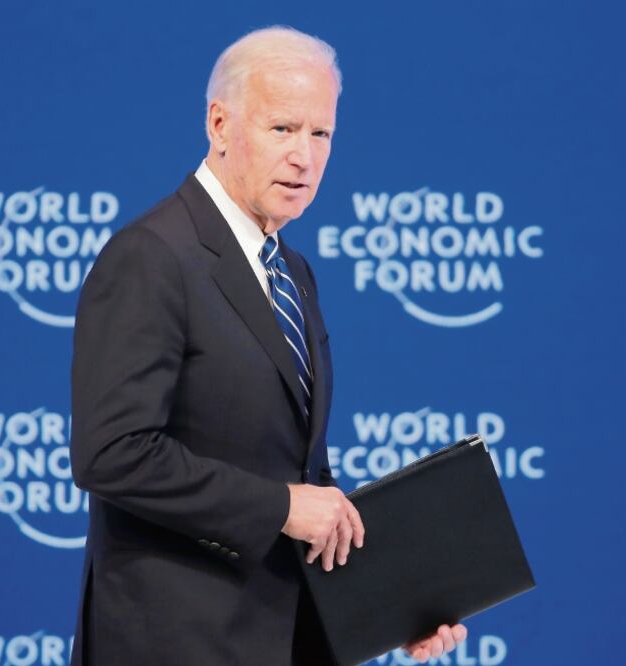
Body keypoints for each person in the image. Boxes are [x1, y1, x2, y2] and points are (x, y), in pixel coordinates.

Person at [69, 26, 466, 665]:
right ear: (220, 125)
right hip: (177, 643)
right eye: (282, 129)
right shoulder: (151, 257)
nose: (304, 157)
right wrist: (281, 506)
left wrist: (399, 603)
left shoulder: (292, 270)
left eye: (321, 134)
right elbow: (111, 454)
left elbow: (304, 480)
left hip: (280, 639)